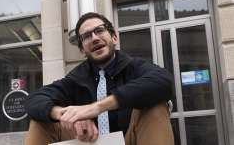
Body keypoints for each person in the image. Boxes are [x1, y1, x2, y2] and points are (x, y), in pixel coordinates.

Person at [25, 12, 174, 145]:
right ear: (82, 49)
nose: (94, 38)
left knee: (155, 106)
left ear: (114, 37)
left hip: (129, 140)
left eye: (99, 30)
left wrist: (95, 108)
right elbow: (34, 100)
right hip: (88, 141)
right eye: (86, 36)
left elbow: (164, 82)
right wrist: (67, 115)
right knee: (41, 121)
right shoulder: (75, 79)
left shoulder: (135, 67)